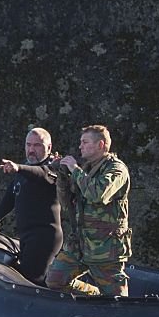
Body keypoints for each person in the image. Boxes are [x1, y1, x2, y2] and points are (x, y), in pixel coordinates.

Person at [45, 125, 132, 297]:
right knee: (55, 280)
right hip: (80, 244)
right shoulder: (87, 169)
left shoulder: (116, 169)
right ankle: (94, 296)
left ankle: (108, 302)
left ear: (100, 145)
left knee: (117, 300)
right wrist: (62, 175)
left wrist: (74, 169)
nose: (80, 146)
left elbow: (97, 194)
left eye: (85, 142)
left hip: (105, 247)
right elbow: (67, 203)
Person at [0, 127, 63, 286]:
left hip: (44, 238)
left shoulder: (53, 169)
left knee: (33, 282)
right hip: (27, 237)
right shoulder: (24, 171)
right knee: (25, 277)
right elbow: (11, 196)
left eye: (37, 145)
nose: (31, 150)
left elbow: (41, 174)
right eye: (28, 145)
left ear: (49, 148)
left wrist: (19, 167)